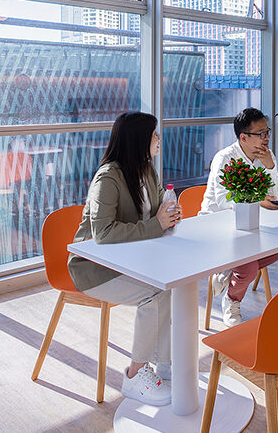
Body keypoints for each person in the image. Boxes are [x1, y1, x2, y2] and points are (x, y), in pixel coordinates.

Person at [67, 112, 181, 406]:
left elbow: (155, 211)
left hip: (133, 261)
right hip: (95, 270)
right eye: (154, 134)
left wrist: (169, 211)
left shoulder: (147, 169)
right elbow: (103, 233)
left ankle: (165, 365)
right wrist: (157, 224)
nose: (158, 139)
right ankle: (135, 374)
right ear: (139, 140)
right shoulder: (108, 177)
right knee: (156, 294)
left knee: (172, 286)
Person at [201, 107, 278, 327]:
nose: (266, 138)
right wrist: (258, 200)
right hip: (215, 226)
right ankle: (231, 299)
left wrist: (270, 166)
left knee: (277, 250)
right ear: (243, 137)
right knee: (247, 267)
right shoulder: (225, 158)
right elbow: (222, 200)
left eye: (267, 132)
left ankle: (228, 271)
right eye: (261, 134)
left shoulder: (266, 155)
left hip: (248, 225)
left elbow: (277, 193)